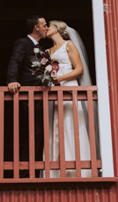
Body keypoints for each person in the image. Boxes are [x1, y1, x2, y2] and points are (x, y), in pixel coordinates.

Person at [45, 20, 94, 178]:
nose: (46, 28)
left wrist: (60, 78)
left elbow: (79, 69)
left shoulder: (69, 45)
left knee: (70, 123)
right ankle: (56, 170)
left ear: (57, 29)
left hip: (68, 86)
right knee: (55, 125)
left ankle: (77, 169)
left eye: (49, 26)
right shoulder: (47, 51)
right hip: (54, 91)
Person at [6, 16, 47, 178]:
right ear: (36, 27)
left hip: (41, 93)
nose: (46, 28)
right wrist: (12, 80)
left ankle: (35, 168)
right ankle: (26, 170)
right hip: (29, 94)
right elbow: (15, 61)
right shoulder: (23, 43)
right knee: (34, 130)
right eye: (44, 25)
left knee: (40, 131)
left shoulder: (41, 47)